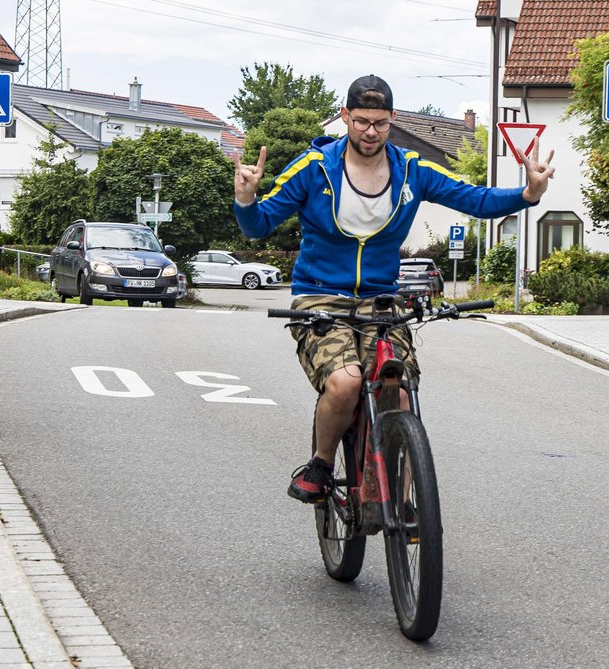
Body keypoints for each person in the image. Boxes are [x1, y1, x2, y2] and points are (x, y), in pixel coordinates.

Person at [232, 74, 554, 503]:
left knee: (397, 389)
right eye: (361, 121)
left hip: (383, 299)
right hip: (321, 296)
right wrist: (246, 199)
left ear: (392, 119)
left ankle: (397, 500)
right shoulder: (314, 169)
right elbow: (259, 225)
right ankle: (322, 463)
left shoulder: (413, 170)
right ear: (345, 117)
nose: (370, 131)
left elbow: (474, 198)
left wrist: (529, 193)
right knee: (346, 384)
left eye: (380, 123)